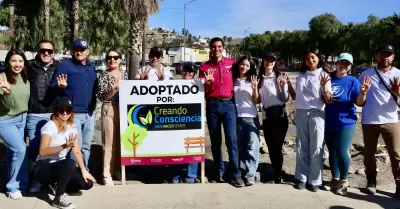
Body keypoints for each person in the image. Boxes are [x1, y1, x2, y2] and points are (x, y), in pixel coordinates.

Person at [33, 96, 96, 209]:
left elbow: (76, 151)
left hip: (61, 168)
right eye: (62, 110)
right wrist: (63, 146)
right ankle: (58, 197)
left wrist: (83, 170)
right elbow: (42, 152)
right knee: (69, 163)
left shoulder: (72, 127)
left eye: (68, 110)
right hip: (43, 167)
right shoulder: (50, 126)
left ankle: (58, 184)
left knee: (87, 184)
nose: (65, 113)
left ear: (72, 112)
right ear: (56, 111)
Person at [199, 37, 243, 187]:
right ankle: (219, 171)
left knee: (231, 139)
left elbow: (242, 77)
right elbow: (199, 90)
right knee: (215, 141)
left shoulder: (231, 64)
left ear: (223, 48)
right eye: (213, 47)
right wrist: (207, 84)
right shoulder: (204, 67)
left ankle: (236, 173)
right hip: (212, 105)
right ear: (210, 49)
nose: (216, 49)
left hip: (229, 105)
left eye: (219, 47)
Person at [325, 53, 371, 195]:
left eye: (347, 63)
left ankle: (344, 181)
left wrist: (363, 93)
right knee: (332, 152)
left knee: (341, 150)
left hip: (346, 121)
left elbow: (359, 102)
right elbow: (324, 98)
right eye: (341, 62)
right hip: (329, 121)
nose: (343, 65)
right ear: (337, 63)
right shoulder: (329, 79)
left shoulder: (352, 81)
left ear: (350, 67)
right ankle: (335, 178)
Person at [358, 44, 400, 199]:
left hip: (391, 120)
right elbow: (359, 98)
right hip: (369, 120)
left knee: (396, 154)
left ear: (393, 57)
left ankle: (399, 185)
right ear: (376, 57)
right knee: (369, 154)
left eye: (389, 55)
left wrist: (397, 91)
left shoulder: (398, 74)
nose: (385, 57)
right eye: (382, 54)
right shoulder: (366, 74)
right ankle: (371, 182)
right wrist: (363, 92)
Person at [51, 39, 97, 170]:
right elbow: (53, 85)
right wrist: (59, 87)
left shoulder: (91, 67)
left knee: (86, 146)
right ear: (72, 51)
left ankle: (84, 172)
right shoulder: (65, 65)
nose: (79, 52)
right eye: (76, 49)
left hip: (90, 113)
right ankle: (73, 175)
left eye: (82, 50)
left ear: (87, 52)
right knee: (75, 146)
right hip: (74, 113)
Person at [294, 49, 333, 192]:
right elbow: (297, 96)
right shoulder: (301, 76)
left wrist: (324, 87)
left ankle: (315, 179)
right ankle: (301, 177)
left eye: (313, 57)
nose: (310, 60)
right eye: (307, 58)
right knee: (301, 146)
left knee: (316, 147)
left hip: (317, 113)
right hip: (301, 112)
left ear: (318, 58)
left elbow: (329, 100)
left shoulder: (324, 75)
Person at [26, 40, 59, 193]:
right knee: (34, 149)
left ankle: (52, 180)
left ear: (53, 53)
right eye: (43, 50)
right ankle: (36, 180)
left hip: (54, 114)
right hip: (34, 113)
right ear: (38, 51)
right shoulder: (29, 66)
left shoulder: (59, 67)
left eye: (50, 51)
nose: (46, 53)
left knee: (53, 150)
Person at [0, 48, 30, 199]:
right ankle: (12, 187)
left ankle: (22, 185)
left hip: (22, 119)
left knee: (15, 153)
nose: (17, 64)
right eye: (13, 61)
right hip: (5, 120)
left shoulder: (25, 78)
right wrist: (6, 91)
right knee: (20, 149)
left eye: (20, 61)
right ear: (8, 62)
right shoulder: (2, 78)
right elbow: (6, 106)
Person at [257, 52, 290, 184]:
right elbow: (258, 99)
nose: (269, 63)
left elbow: (285, 98)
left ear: (275, 63)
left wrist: (282, 87)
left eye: (272, 61)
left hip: (279, 117)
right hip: (266, 117)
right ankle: (276, 172)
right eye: (267, 60)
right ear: (263, 61)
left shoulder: (280, 77)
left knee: (277, 147)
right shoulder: (260, 79)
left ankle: (278, 175)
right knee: (271, 148)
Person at [98, 48, 127, 186]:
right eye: (109, 58)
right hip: (109, 107)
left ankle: (117, 169)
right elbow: (102, 95)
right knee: (108, 142)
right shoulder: (104, 75)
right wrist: (113, 90)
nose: (112, 60)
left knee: (121, 142)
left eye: (115, 57)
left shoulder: (125, 74)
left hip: (123, 110)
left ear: (120, 59)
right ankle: (106, 173)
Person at [232, 56, 260, 186]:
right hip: (236, 118)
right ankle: (242, 173)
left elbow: (257, 100)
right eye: (243, 64)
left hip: (251, 117)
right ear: (239, 65)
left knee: (252, 146)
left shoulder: (253, 80)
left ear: (251, 68)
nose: (244, 67)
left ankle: (251, 175)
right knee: (240, 147)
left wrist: (254, 88)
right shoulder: (234, 80)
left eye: (247, 66)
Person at [171, 63, 199, 183]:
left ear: (194, 73)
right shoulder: (173, 84)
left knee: (193, 147)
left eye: (190, 71)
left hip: (192, 120)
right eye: (185, 71)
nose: (187, 73)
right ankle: (175, 175)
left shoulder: (198, 85)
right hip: (176, 120)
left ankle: (191, 176)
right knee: (176, 147)